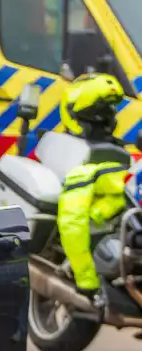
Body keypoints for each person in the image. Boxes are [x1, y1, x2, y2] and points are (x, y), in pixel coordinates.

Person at [55, 72, 131, 307]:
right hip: (87, 266)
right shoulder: (85, 173)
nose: (108, 120)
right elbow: (72, 222)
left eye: (108, 114)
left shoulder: (121, 162)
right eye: (100, 115)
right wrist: (87, 281)